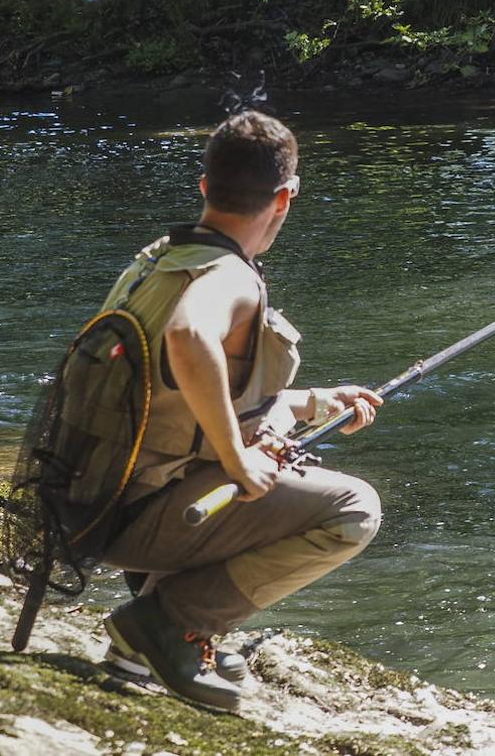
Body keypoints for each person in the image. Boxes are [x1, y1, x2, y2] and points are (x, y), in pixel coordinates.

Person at [97, 110, 383, 712]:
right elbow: (188, 337)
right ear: (286, 196)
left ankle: (158, 626)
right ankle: (169, 620)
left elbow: (180, 397)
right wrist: (237, 459)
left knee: (272, 459)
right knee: (354, 510)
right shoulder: (229, 276)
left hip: (88, 499)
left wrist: (310, 404)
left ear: (205, 187)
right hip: (136, 520)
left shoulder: (160, 258)